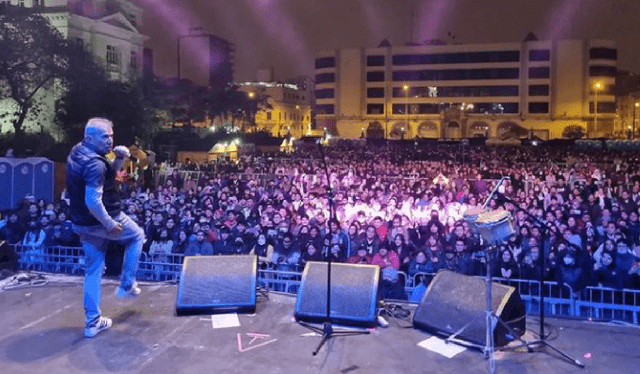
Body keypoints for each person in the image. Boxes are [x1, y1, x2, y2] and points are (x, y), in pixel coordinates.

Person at [67, 118, 145, 338]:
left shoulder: (78, 151)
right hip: (103, 218)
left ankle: (92, 323)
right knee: (136, 236)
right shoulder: (95, 164)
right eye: (105, 137)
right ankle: (127, 284)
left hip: (81, 223)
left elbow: (107, 178)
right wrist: (110, 225)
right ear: (90, 137)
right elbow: (93, 201)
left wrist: (118, 159)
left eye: (111, 135)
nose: (110, 140)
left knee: (93, 271)